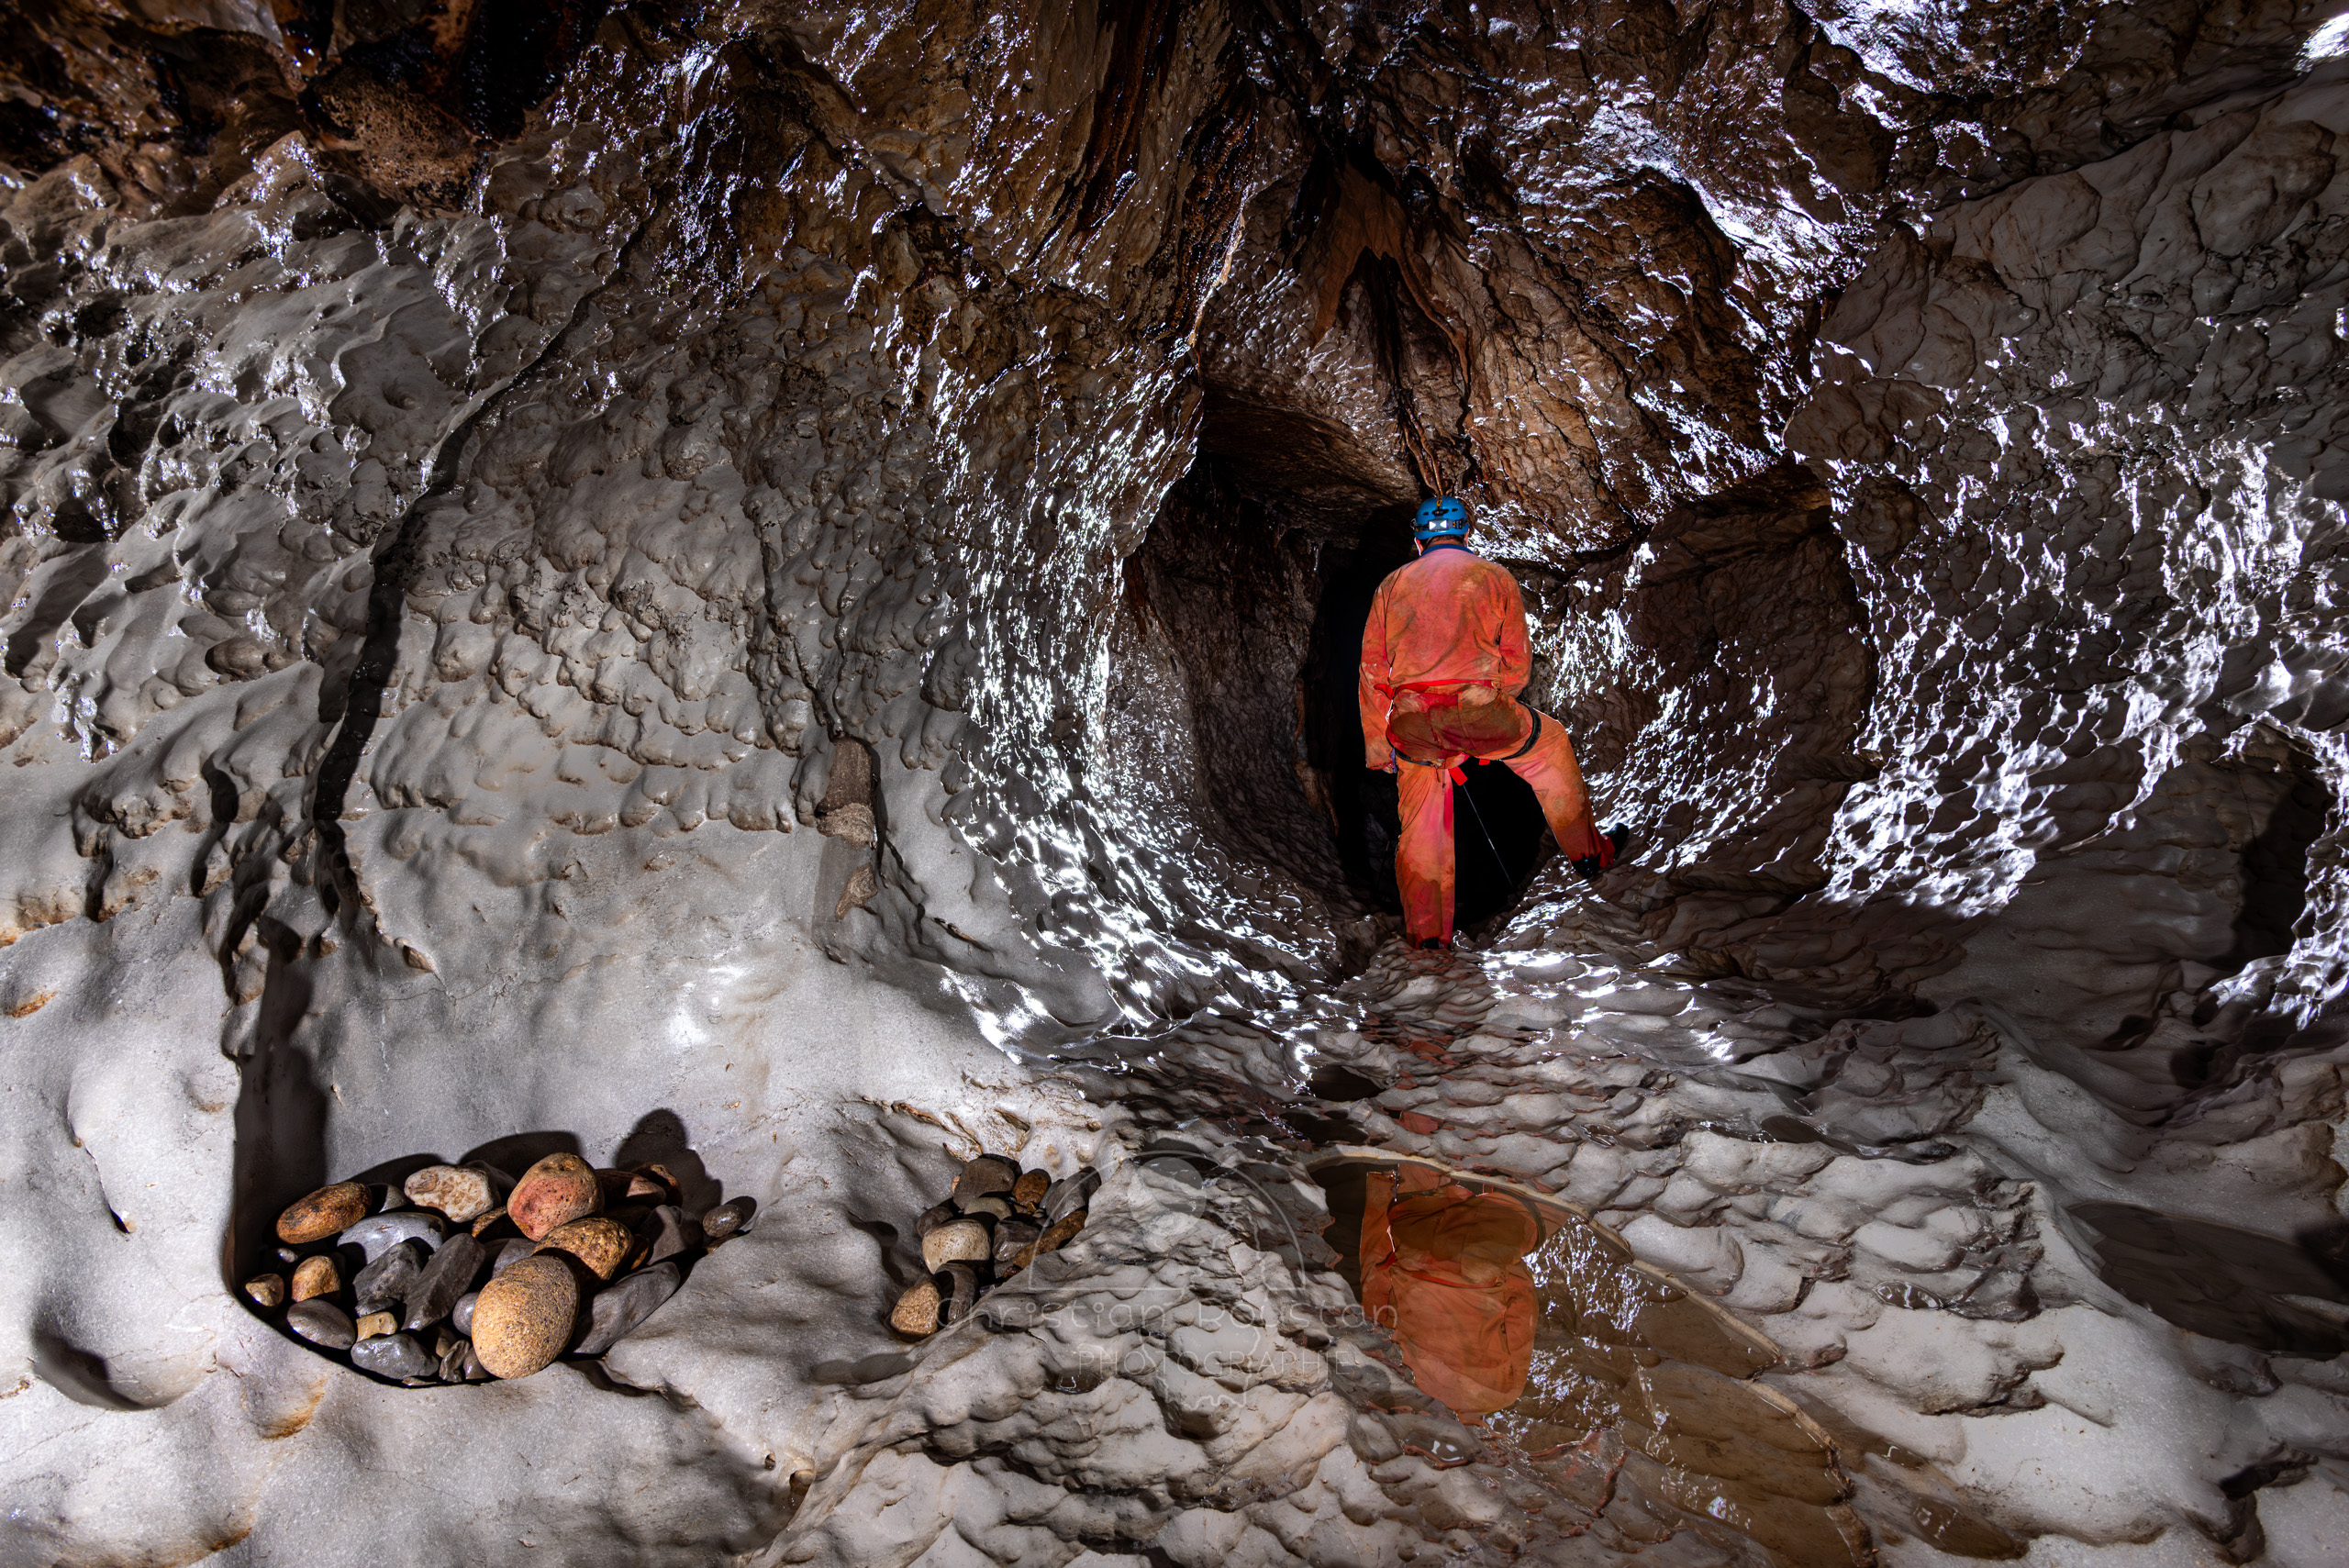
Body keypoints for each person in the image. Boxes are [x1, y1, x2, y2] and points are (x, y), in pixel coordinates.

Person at [1359, 495, 1615, 949]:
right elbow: (1516, 665)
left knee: (1421, 821)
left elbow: (1372, 672)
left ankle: (1428, 937)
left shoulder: (1390, 585)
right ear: (1466, 534)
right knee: (1550, 742)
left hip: (1412, 721)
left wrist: (1380, 747)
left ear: (1418, 541)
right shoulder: (1493, 576)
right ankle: (1589, 855)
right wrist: (1482, 719)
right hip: (1478, 708)